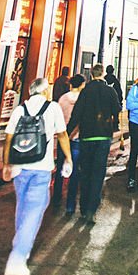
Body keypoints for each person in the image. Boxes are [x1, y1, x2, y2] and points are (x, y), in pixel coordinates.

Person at [3, 77, 72, 275]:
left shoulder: (19, 109)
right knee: (35, 209)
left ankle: (20, 246)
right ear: (45, 92)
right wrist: (68, 158)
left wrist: (7, 164)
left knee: (22, 207)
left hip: (19, 167)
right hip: (41, 167)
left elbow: (9, 138)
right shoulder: (52, 108)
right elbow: (62, 135)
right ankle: (17, 257)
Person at [67, 62, 120, 222]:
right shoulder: (109, 91)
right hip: (103, 136)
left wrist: (67, 133)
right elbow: (117, 109)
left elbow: (76, 114)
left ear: (91, 74)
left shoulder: (85, 91)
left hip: (87, 136)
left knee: (86, 172)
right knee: (98, 173)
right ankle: (91, 208)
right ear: (102, 74)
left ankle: (83, 207)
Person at [52, 74, 85, 215]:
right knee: (75, 171)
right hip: (77, 138)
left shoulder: (63, 99)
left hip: (62, 137)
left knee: (60, 166)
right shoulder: (83, 99)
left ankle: (56, 197)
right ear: (82, 85)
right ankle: (70, 204)